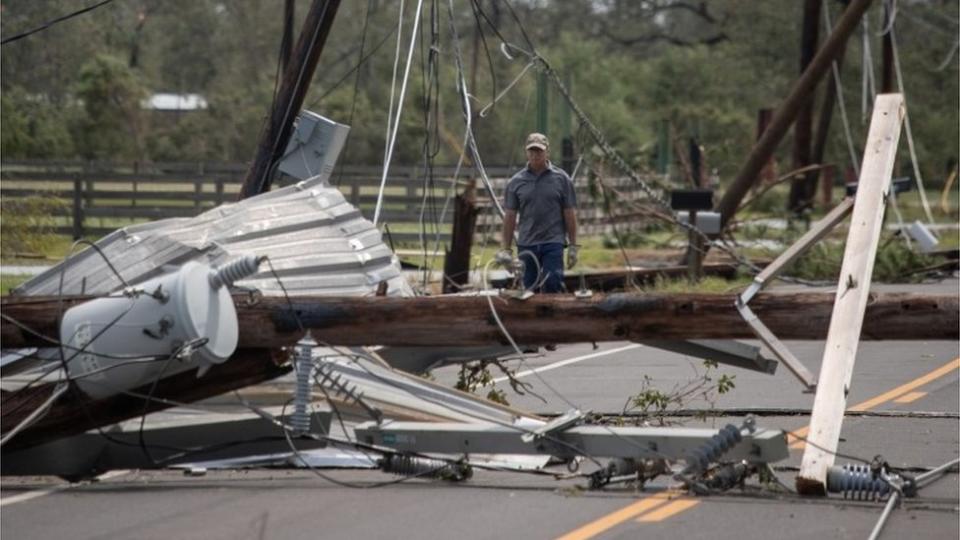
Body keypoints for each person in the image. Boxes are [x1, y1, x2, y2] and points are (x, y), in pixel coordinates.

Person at [496, 133, 578, 293]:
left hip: (553, 241)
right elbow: (510, 217)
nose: (535, 155)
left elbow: (569, 213)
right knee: (528, 287)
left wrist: (574, 245)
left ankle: (553, 316)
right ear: (526, 153)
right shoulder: (516, 182)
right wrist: (506, 248)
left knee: (553, 282)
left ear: (547, 152)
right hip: (527, 243)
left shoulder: (562, 179)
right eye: (531, 151)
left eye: (539, 151)